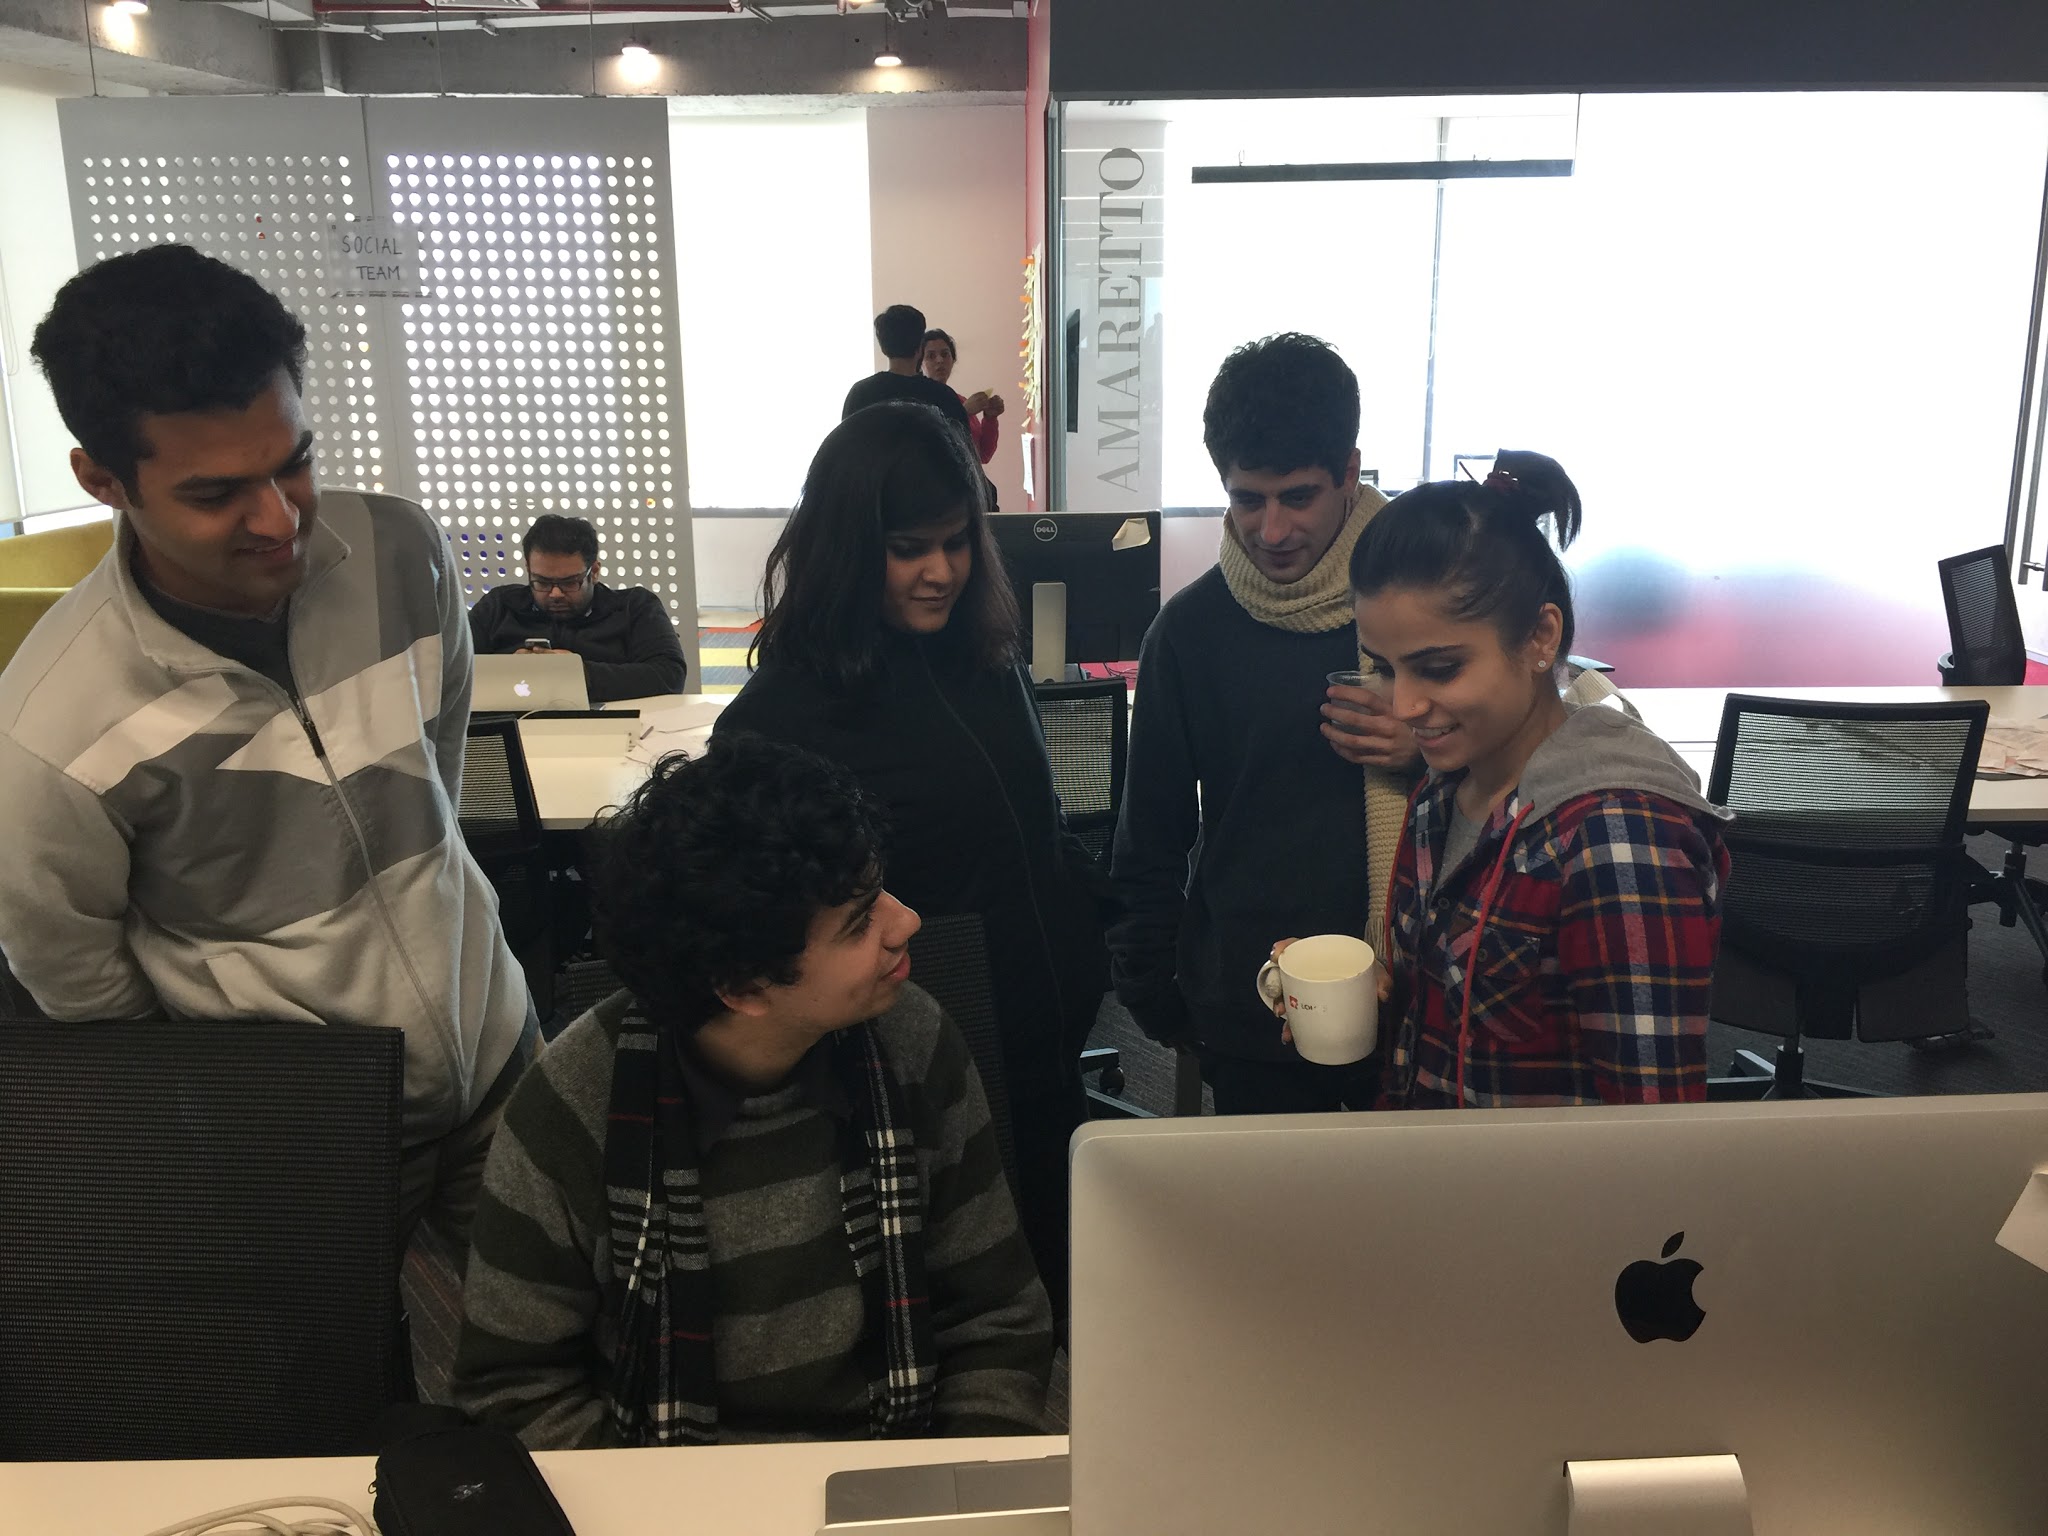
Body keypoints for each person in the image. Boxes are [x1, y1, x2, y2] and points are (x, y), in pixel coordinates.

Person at [0, 243, 534, 1257]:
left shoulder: (398, 553)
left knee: (560, 1361)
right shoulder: (50, 728)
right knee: (336, 1404)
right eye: (215, 495)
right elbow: (83, 990)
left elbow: (442, 760)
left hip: (498, 1050)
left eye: (293, 461)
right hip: (297, 1130)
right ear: (103, 479)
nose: (278, 518)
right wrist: (227, 1113)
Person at [450, 733, 1054, 1447]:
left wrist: (952, 1494)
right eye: (860, 922)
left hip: (891, 1476)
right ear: (744, 989)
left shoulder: (914, 1044)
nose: (906, 921)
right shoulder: (573, 1105)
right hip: (663, 1497)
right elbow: (513, 1389)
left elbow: (998, 1323)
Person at [714, 401, 1104, 1321]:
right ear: (852, 548)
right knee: (966, 1314)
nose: (940, 572)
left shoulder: (981, 648)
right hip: (925, 1065)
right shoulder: (783, 717)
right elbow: (775, 948)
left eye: (958, 541)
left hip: (1045, 1033)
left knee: (1068, 1299)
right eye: (907, 549)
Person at [1345, 453, 1731, 1106]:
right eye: (1385, 667)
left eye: (1437, 668)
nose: (1403, 705)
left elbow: (1654, 1138)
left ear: (1539, 637)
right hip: (1432, 1187)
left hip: (1535, 1208)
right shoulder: (1445, 793)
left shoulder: (1617, 838)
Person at [1109, 333, 1417, 1116]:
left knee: (1417, 1231)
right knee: (1271, 1232)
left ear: (1350, 473)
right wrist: (1157, 994)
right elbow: (1151, 835)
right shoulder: (1189, 633)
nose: (1272, 531)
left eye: (1299, 496)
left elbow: (1530, 760)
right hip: (1250, 1007)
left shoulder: (1425, 607)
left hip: (1422, 987)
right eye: (1248, 499)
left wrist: (1427, 749)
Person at [466, 513, 687, 703]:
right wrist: (506, 672)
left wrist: (579, 673)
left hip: (611, 732)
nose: (555, 594)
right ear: (528, 569)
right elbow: (451, 672)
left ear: (595, 572)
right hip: (513, 727)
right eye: (542, 582)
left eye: (569, 583)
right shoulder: (499, 606)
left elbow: (670, 675)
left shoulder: (635, 607)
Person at [842, 304, 973, 439]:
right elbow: (965, 455)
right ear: (920, 347)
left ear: (884, 348)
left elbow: (843, 450)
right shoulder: (944, 397)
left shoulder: (860, 394)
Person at [922, 328, 1004, 466]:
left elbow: (983, 455)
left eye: (945, 354)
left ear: (953, 360)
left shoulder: (959, 400)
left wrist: (990, 418)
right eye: (931, 356)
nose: (940, 360)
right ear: (920, 364)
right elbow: (929, 449)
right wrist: (963, 412)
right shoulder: (918, 402)